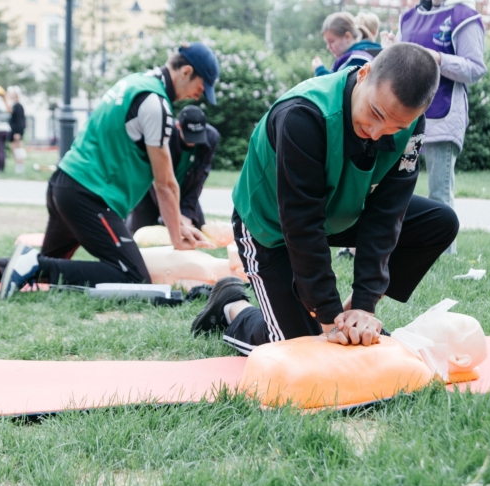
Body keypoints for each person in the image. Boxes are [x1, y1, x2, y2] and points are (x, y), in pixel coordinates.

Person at [191, 43, 459, 355]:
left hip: (340, 210)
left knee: (439, 222)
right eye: (375, 113)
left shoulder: (410, 125)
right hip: (271, 226)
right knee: (300, 351)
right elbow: (302, 227)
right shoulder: (303, 116)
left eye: (395, 127)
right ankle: (232, 305)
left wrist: (362, 307)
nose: (376, 132)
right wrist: (329, 318)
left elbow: (387, 214)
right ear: (363, 74)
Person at [0, 43, 221, 299]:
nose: (200, 96)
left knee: (46, 267)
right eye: (201, 86)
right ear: (186, 72)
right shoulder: (156, 104)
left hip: (64, 185)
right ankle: (33, 265)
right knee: (132, 276)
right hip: (89, 196)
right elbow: (165, 183)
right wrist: (176, 239)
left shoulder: (134, 83)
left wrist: (181, 225)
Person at [390, 0, 487, 254]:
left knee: (439, 192)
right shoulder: (409, 17)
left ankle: (443, 253)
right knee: (398, 187)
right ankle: (397, 246)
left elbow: (475, 69)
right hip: (407, 121)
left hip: (442, 121)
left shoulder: (464, 17)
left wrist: (440, 59)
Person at [126, 105, 219, 233]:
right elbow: (156, 179)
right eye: (189, 135)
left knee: (198, 230)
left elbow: (200, 178)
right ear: (178, 126)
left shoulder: (211, 138)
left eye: (197, 136)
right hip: (153, 190)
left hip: (185, 191)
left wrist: (186, 213)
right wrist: (172, 215)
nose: (193, 141)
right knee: (137, 233)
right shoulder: (163, 136)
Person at [312, 12, 382, 77]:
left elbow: (338, 88)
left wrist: (320, 70)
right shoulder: (358, 55)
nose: (328, 47)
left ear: (347, 37)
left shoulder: (357, 59)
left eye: (332, 41)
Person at [7, 86, 27, 174]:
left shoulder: (18, 106)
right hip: (14, 131)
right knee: (14, 149)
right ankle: (18, 166)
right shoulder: (14, 105)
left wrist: (18, 132)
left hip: (16, 132)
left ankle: (20, 166)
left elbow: (20, 121)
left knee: (18, 149)